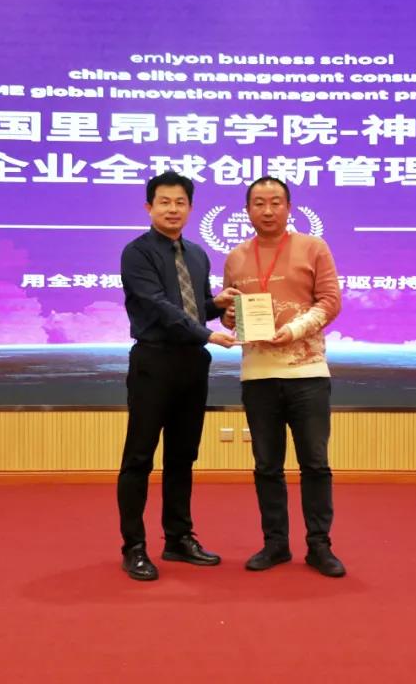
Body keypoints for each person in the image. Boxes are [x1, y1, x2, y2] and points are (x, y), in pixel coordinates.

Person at [117, 171, 239, 582]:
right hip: (153, 363)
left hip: (192, 364)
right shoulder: (136, 253)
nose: (173, 209)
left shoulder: (198, 255)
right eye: (164, 202)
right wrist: (207, 332)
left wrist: (218, 304)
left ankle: (178, 537)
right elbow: (158, 306)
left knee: (183, 456)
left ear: (190, 207)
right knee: (139, 458)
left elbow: (193, 307)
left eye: (180, 202)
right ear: (149, 207)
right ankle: (134, 547)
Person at [222, 176, 346, 577]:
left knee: (315, 463)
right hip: (257, 376)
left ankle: (319, 545)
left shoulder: (313, 247)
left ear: (289, 208)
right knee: (266, 466)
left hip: (307, 373)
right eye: (259, 203)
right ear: (247, 210)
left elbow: (330, 302)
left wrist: (293, 330)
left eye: (275, 202)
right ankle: (275, 544)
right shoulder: (235, 257)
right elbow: (229, 312)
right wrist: (229, 316)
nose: (268, 210)